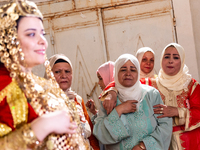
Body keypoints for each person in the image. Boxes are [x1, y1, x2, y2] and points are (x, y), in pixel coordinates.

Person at [0, 1, 88, 150]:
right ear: (9, 39)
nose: (42, 41)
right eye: (31, 34)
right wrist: (42, 126)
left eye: (42, 33)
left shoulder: (44, 85)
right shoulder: (4, 87)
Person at [93, 54, 172, 150]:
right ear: (116, 72)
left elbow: (165, 125)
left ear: (138, 72)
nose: (128, 73)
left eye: (133, 69)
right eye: (123, 69)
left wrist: (144, 146)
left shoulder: (151, 95)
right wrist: (118, 110)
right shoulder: (108, 100)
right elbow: (99, 132)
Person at [141, 43, 200, 150]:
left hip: (190, 143)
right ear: (161, 60)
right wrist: (112, 92)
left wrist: (177, 111)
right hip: (158, 142)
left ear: (181, 61)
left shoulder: (191, 86)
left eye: (176, 57)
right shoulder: (149, 84)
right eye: (166, 57)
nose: (170, 61)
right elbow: (123, 85)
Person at [46, 54, 100, 150]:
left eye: (67, 71)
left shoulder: (77, 100)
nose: (64, 76)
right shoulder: (44, 101)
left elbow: (90, 135)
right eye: (57, 72)